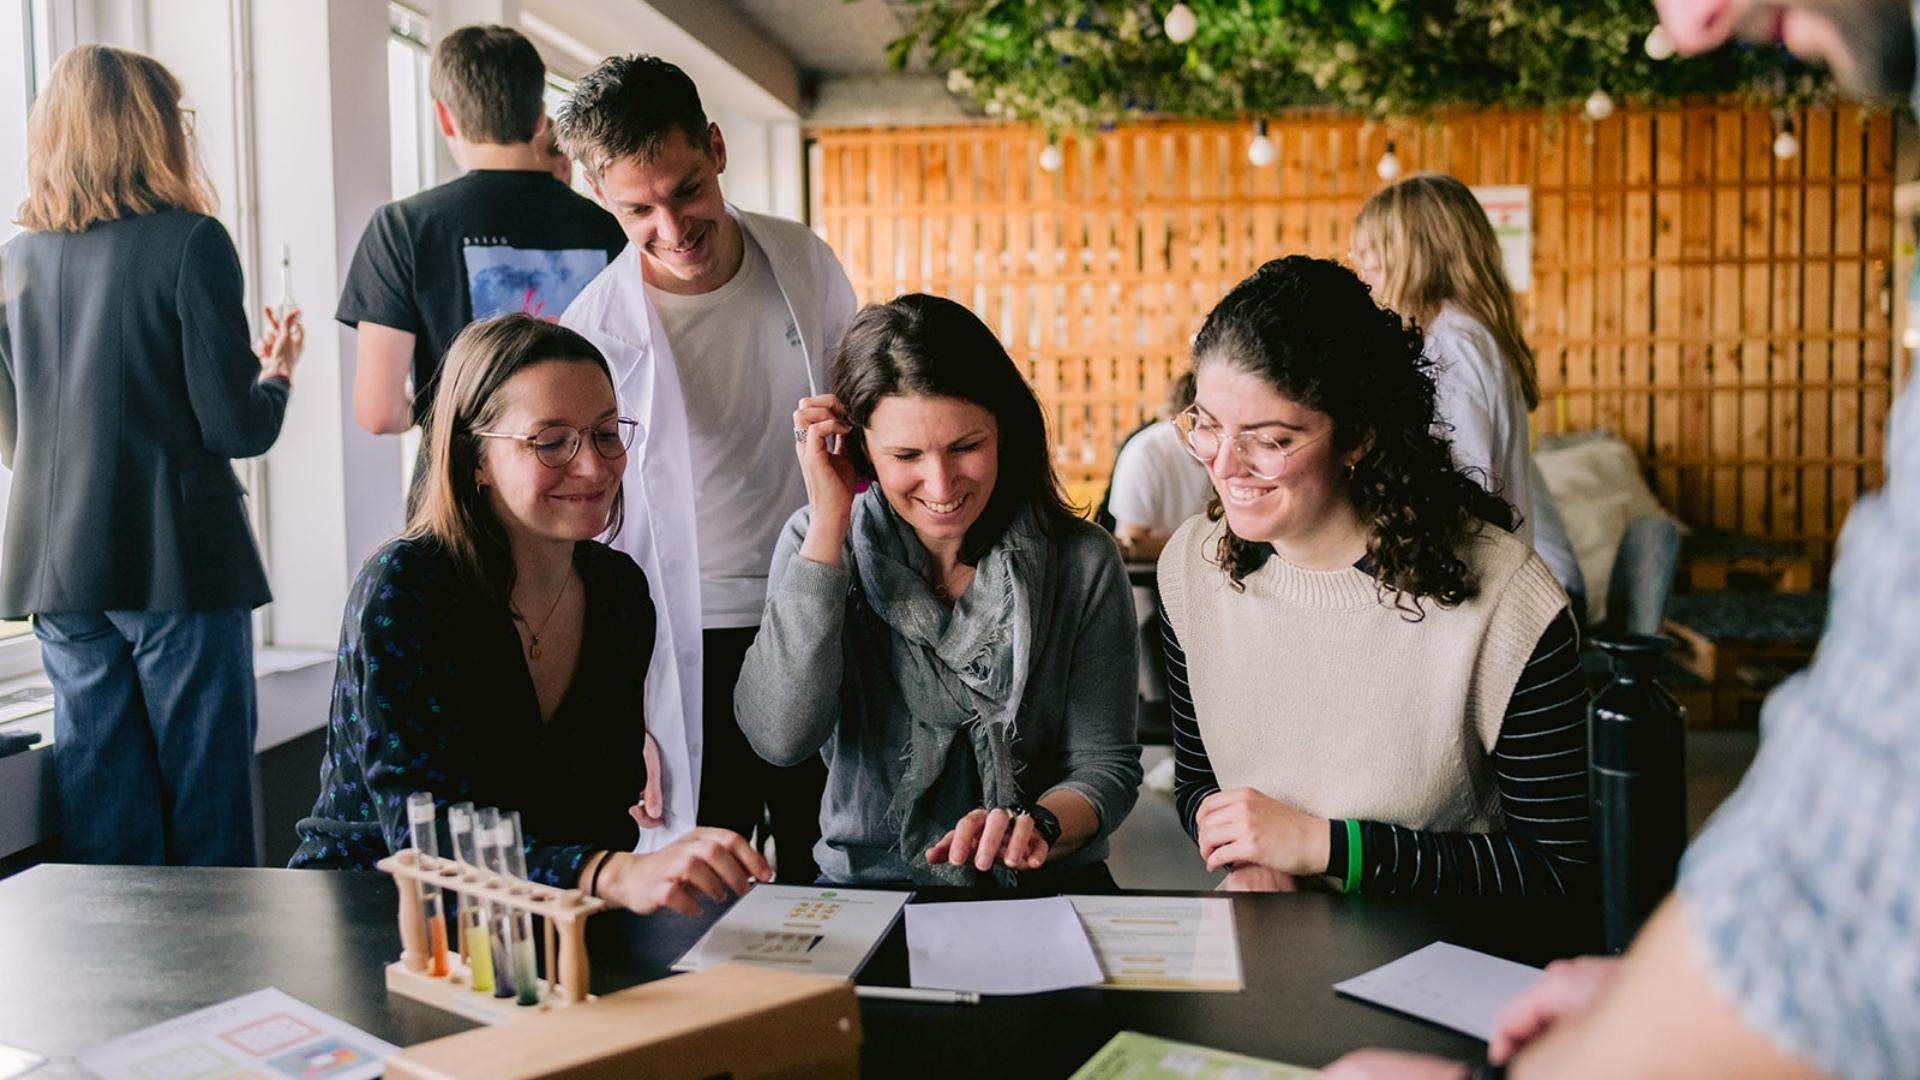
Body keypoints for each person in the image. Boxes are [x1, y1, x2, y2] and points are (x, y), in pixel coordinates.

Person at [1323, 1, 1920, 1076]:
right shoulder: (1475, 341)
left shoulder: (1448, 353)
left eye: (1371, 256)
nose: (1687, 27)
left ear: (1412, 253)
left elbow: (1860, 890)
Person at [290, 315, 769, 916]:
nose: (593, 467)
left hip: (544, 915)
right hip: (377, 911)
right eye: (550, 441)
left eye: (604, 433)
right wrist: (606, 873)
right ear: (475, 460)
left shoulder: (617, 590)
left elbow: (599, 810)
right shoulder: (405, 587)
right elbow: (422, 836)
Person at [1160, 256, 1589, 897]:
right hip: (1275, 950)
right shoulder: (1191, 569)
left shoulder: (1505, 602)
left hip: (1444, 963)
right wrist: (1255, 858)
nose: (1225, 465)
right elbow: (1199, 782)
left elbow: (1562, 870)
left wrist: (1326, 847)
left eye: (1269, 440)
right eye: (1209, 427)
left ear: (1358, 435)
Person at [556, 54, 857, 881]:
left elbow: (867, 418)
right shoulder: (594, 334)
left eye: (686, 190)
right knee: (704, 880)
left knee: (829, 859)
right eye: (637, 210)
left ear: (717, 148)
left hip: (814, 609)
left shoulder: (802, 261)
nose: (672, 226)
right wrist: (628, 714)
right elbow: (588, 539)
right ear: (600, 199)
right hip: (681, 637)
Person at [0, 46, 301, 866]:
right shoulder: (190, 242)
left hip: (58, 575)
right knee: (210, 813)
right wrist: (276, 374)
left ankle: (134, 999)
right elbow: (237, 429)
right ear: (154, 130)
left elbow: (16, 438)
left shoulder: (12, 264)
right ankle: (225, 993)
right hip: (178, 567)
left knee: (106, 818)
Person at [734, 294, 1143, 887]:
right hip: (870, 885)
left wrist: (1038, 826)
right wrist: (828, 523)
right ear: (858, 447)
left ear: (1003, 429)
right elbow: (779, 737)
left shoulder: (1080, 559)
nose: (941, 483)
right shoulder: (816, 542)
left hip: (1044, 883)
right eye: (906, 455)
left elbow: (1103, 765)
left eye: (966, 447)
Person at [337, 24, 624, 482]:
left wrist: (449, 408)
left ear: (444, 118)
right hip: (588, 481)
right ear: (538, 119)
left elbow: (378, 411)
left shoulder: (403, 228)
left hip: (461, 496)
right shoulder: (612, 226)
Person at [1349, 174, 1585, 611]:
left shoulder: (1452, 344)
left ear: (1418, 257)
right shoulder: (1468, 335)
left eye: (1371, 258)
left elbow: (1465, 488)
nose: (1363, 273)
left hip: (1471, 596)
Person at [1098, 370, 1213, 561]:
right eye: (1197, 428)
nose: (1205, 442)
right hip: (1150, 572)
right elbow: (1131, 543)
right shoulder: (1145, 453)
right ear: (1175, 419)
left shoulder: (1231, 449)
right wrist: (1204, 548)